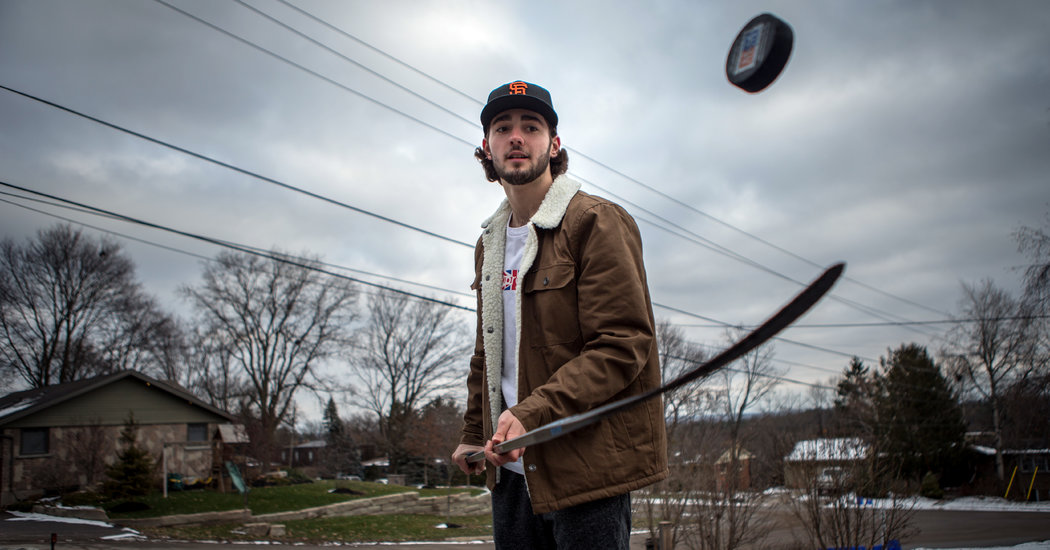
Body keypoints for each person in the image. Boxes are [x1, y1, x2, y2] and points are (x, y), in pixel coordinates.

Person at [451, 81, 668, 550]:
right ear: (486, 147)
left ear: (554, 145)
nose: (516, 137)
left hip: (587, 472)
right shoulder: (489, 244)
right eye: (502, 128)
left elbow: (622, 344)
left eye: (531, 127)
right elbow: (487, 353)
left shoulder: (595, 221)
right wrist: (473, 432)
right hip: (511, 472)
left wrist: (533, 413)